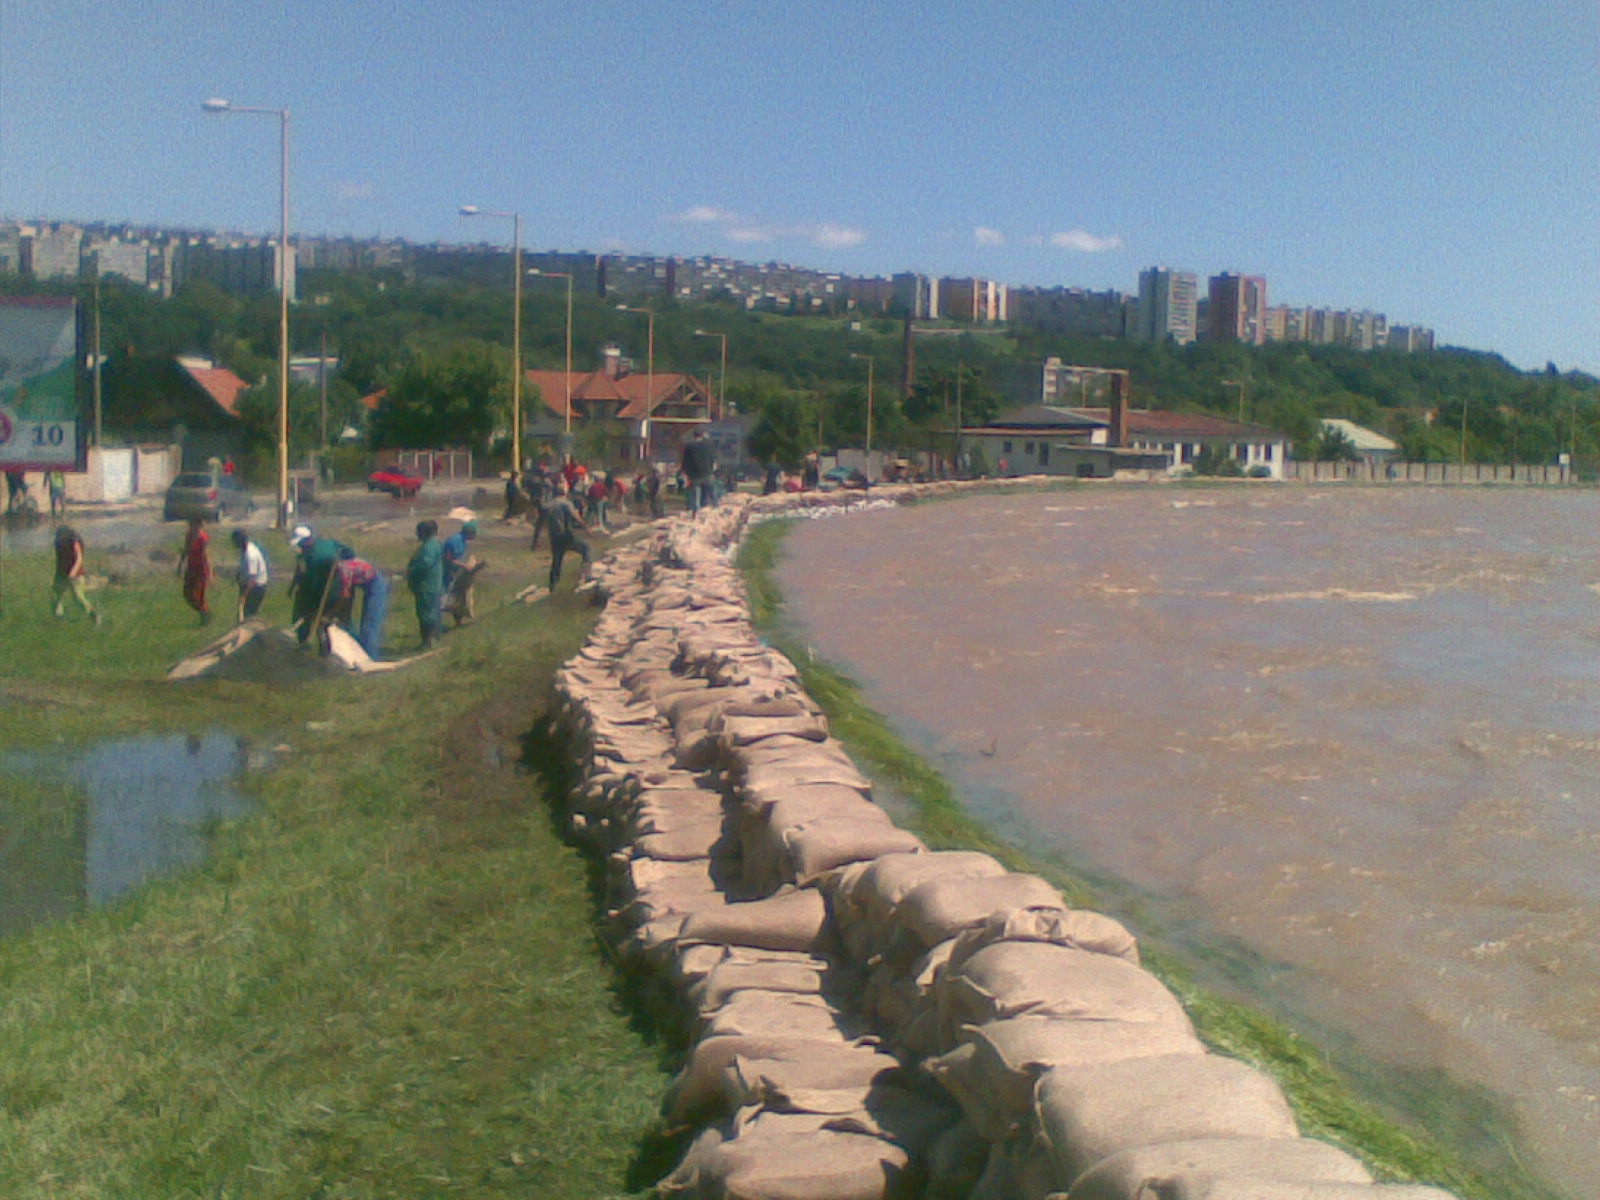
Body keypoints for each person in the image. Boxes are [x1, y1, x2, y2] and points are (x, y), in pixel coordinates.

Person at [334, 545, 390, 659]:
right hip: (369, 584)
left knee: (370, 624)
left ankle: (371, 657)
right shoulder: (350, 564)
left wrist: (337, 611)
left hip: (376, 588)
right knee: (354, 624)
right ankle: (360, 651)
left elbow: (345, 595)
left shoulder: (346, 568)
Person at [542, 481, 592, 592]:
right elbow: (576, 517)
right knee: (586, 549)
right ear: (564, 492)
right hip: (566, 535)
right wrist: (586, 528)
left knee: (557, 561)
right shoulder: (566, 503)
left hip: (554, 537)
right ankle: (586, 575)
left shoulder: (548, 505)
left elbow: (541, 521)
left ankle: (552, 586)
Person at [406, 519, 445, 649]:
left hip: (427, 585)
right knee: (432, 611)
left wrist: (412, 569)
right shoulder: (434, 544)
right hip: (431, 584)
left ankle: (428, 641)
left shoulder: (429, 546)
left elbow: (426, 564)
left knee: (426, 614)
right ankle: (432, 639)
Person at [51, 525, 98, 625]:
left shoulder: (74, 541)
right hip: (61, 573)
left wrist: (73, 572)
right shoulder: (58, 543)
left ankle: (93, 615)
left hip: (76, 575)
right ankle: (58, 618)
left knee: (78, 597)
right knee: (56, 596)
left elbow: (79, 559)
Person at [441, 519, 479, 627]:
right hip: (447, 573)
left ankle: (458, 622)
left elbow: (462, 557)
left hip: (457, 573)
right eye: (475, 532)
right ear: (470, 532)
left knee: (459, 598)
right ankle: (436, 625)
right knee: (446, 599)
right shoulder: (454, 541)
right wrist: (465, 566)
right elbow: (448, 558)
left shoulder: (463, 541)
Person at [178, 516, 212, 624]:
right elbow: (186, 550)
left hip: (201, 569)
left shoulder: (203, 538)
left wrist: (210, 573)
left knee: (198, 595)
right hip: (191, 567)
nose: (191, 527)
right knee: (187, 593)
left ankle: (205, 616)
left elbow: (206, 556)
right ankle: (204, 612)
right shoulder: (189, 535)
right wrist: (180, 565)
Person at [232, 529, 269, 622]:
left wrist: (244, 596)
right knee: (245, 615)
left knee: (248, 617)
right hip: (250, 585)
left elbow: (252, 581)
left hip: (256, 588)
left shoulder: (250, 555)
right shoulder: (246, 548)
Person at [680, 428, 715, 514]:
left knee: (695, 494)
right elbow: (712, 458)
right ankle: (712, 508)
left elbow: (685, 461)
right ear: (702, 435)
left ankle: (696, 512)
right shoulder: (708, 445)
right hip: (706, 473)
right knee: (709, 492)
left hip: (694, 475)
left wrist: (685, 472)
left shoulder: (689, 446)